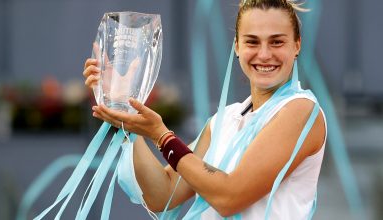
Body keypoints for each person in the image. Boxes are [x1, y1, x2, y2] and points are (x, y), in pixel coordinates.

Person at [83, 0, 327, 219]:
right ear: (237, 46)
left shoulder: (302, 110)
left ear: (297, 45)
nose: (264, 54)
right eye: (252, 41)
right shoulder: (226, 119)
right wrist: (126, 111)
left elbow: (229, 197)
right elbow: (163, 194)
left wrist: (162, 136)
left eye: (277, 42)